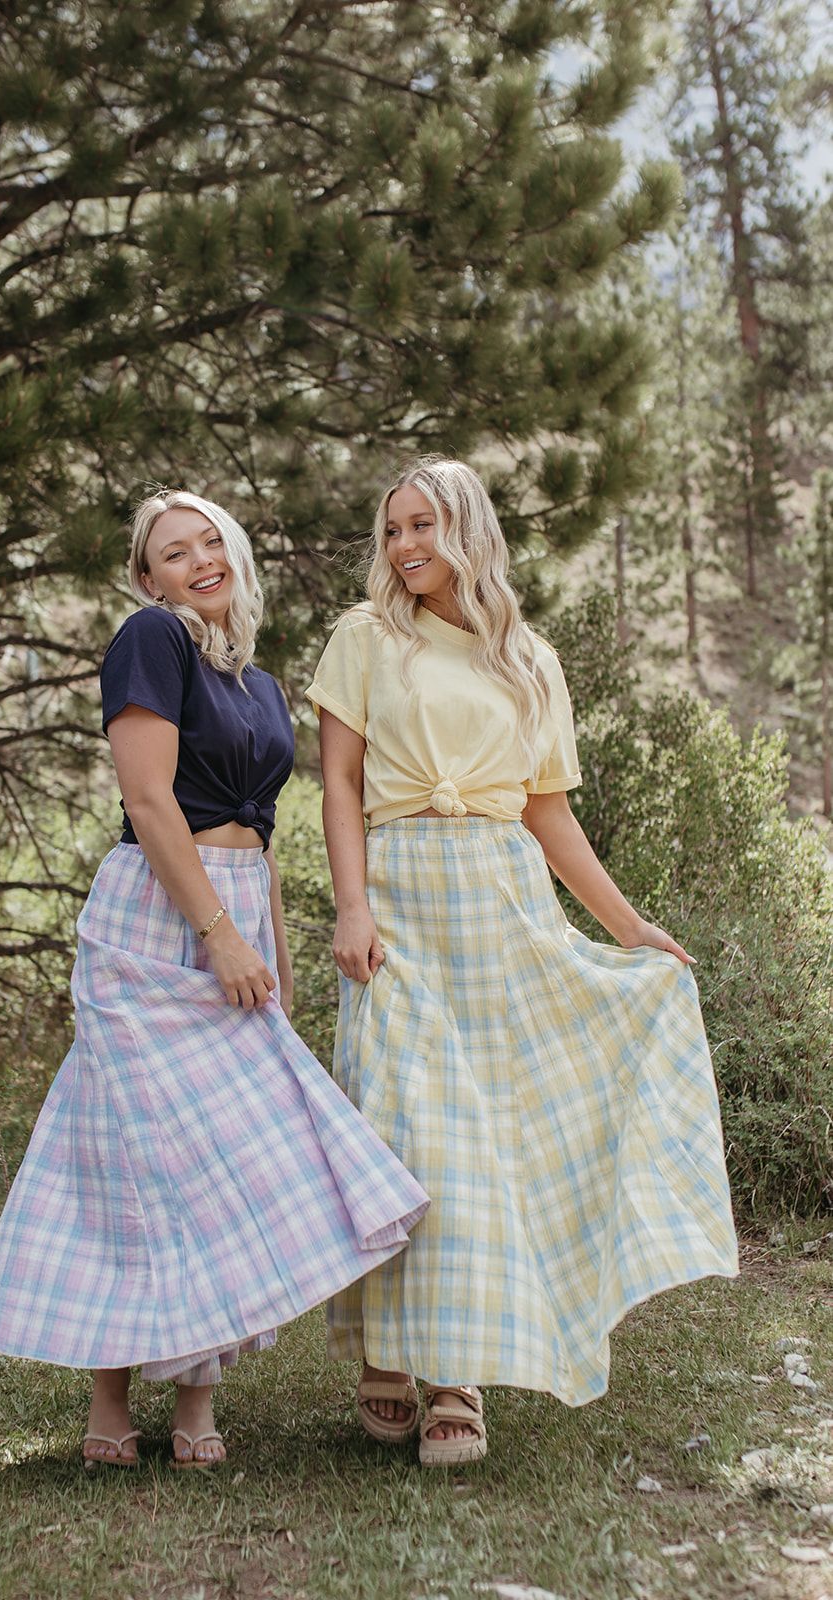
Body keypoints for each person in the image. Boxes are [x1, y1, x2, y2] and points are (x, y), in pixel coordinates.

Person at [0, 490, 428, 1471]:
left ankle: (195, 1399)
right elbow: (146, 798)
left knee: (220, 1159)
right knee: (131, 1154)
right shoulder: (152, 639)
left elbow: (261, 831)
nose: (199, 560)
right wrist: (216, 934)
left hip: (238, 909)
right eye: (173, 552)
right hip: (156, 915)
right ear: (147, 578)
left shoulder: (256, 683)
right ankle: (108, 1401)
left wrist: (272, 945)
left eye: (210, 540)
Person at [305, 457, 739, 1468]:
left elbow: (548, 814)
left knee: (479, 1136)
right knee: (401, 1122)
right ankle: (384, 1349)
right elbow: (338, 782)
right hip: (401, 896)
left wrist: (628, 927)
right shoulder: (364, 636)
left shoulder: (528, 659)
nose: (404, 546)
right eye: (393, 529)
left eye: (422, 524)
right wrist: (352, 905)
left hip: (500, 901)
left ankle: (455, 1373)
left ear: (466, 529)